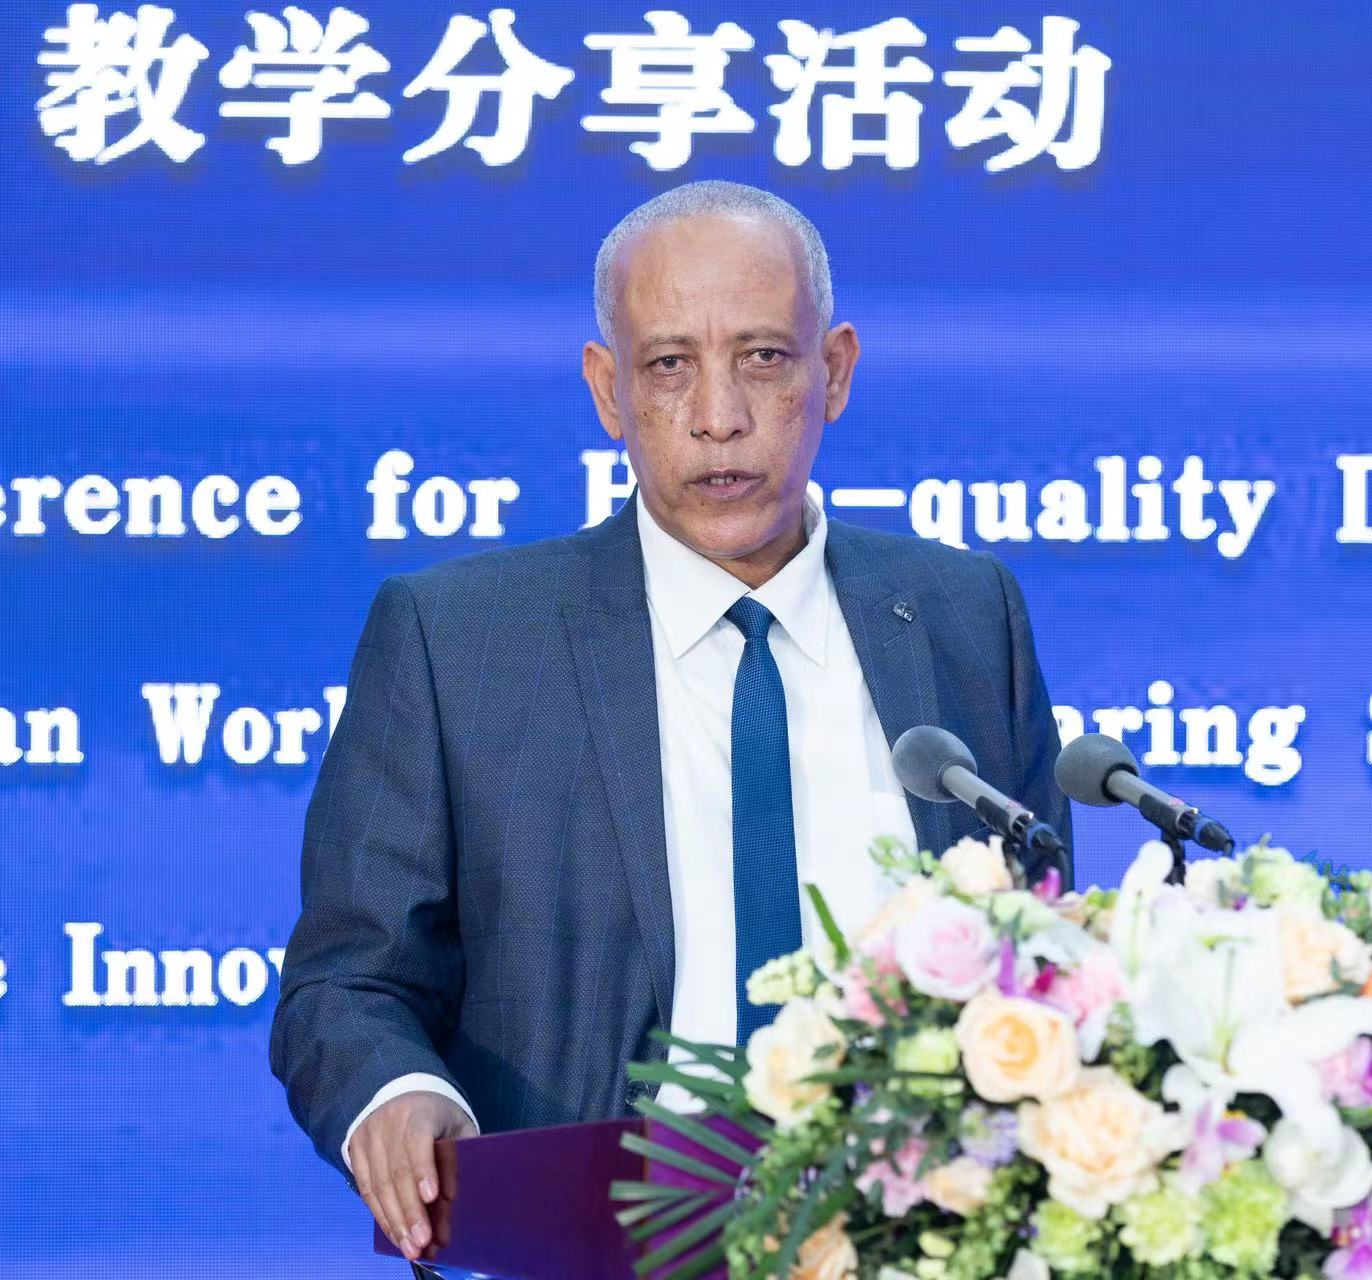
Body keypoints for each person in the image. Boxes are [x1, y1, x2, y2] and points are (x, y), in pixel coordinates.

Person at [268, 180, 1069, 1264]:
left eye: (764, 358)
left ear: (834, 371)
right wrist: (401, 1093)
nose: (718, 415)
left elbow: (1047, 955)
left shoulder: (966, 615)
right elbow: (348, 980)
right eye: (669, 365)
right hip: (591, 1248)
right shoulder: (459, 641)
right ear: (609, 390)